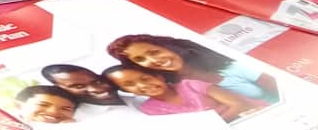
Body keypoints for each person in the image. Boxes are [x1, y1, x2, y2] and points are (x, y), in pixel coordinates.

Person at [106, 34, 279, 103]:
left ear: (168, 46)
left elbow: (285, 89)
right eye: (140, 60)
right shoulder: (171, 90)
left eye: (154, 52)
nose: (153, 61)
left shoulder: (230, 66)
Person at [102, 64, 261, 118]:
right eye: (130, 84)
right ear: (127, 91)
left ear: (158, 76)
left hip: (255, 115)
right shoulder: (150, 110)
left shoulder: (191, 85)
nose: (143, 85)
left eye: (145, 78)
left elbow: (239, 104)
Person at [41, 65, 124, 106]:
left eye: (97, 82)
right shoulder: (78, 121)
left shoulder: (129, 97)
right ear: (61, 90)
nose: (95, 89)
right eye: (79, 86)